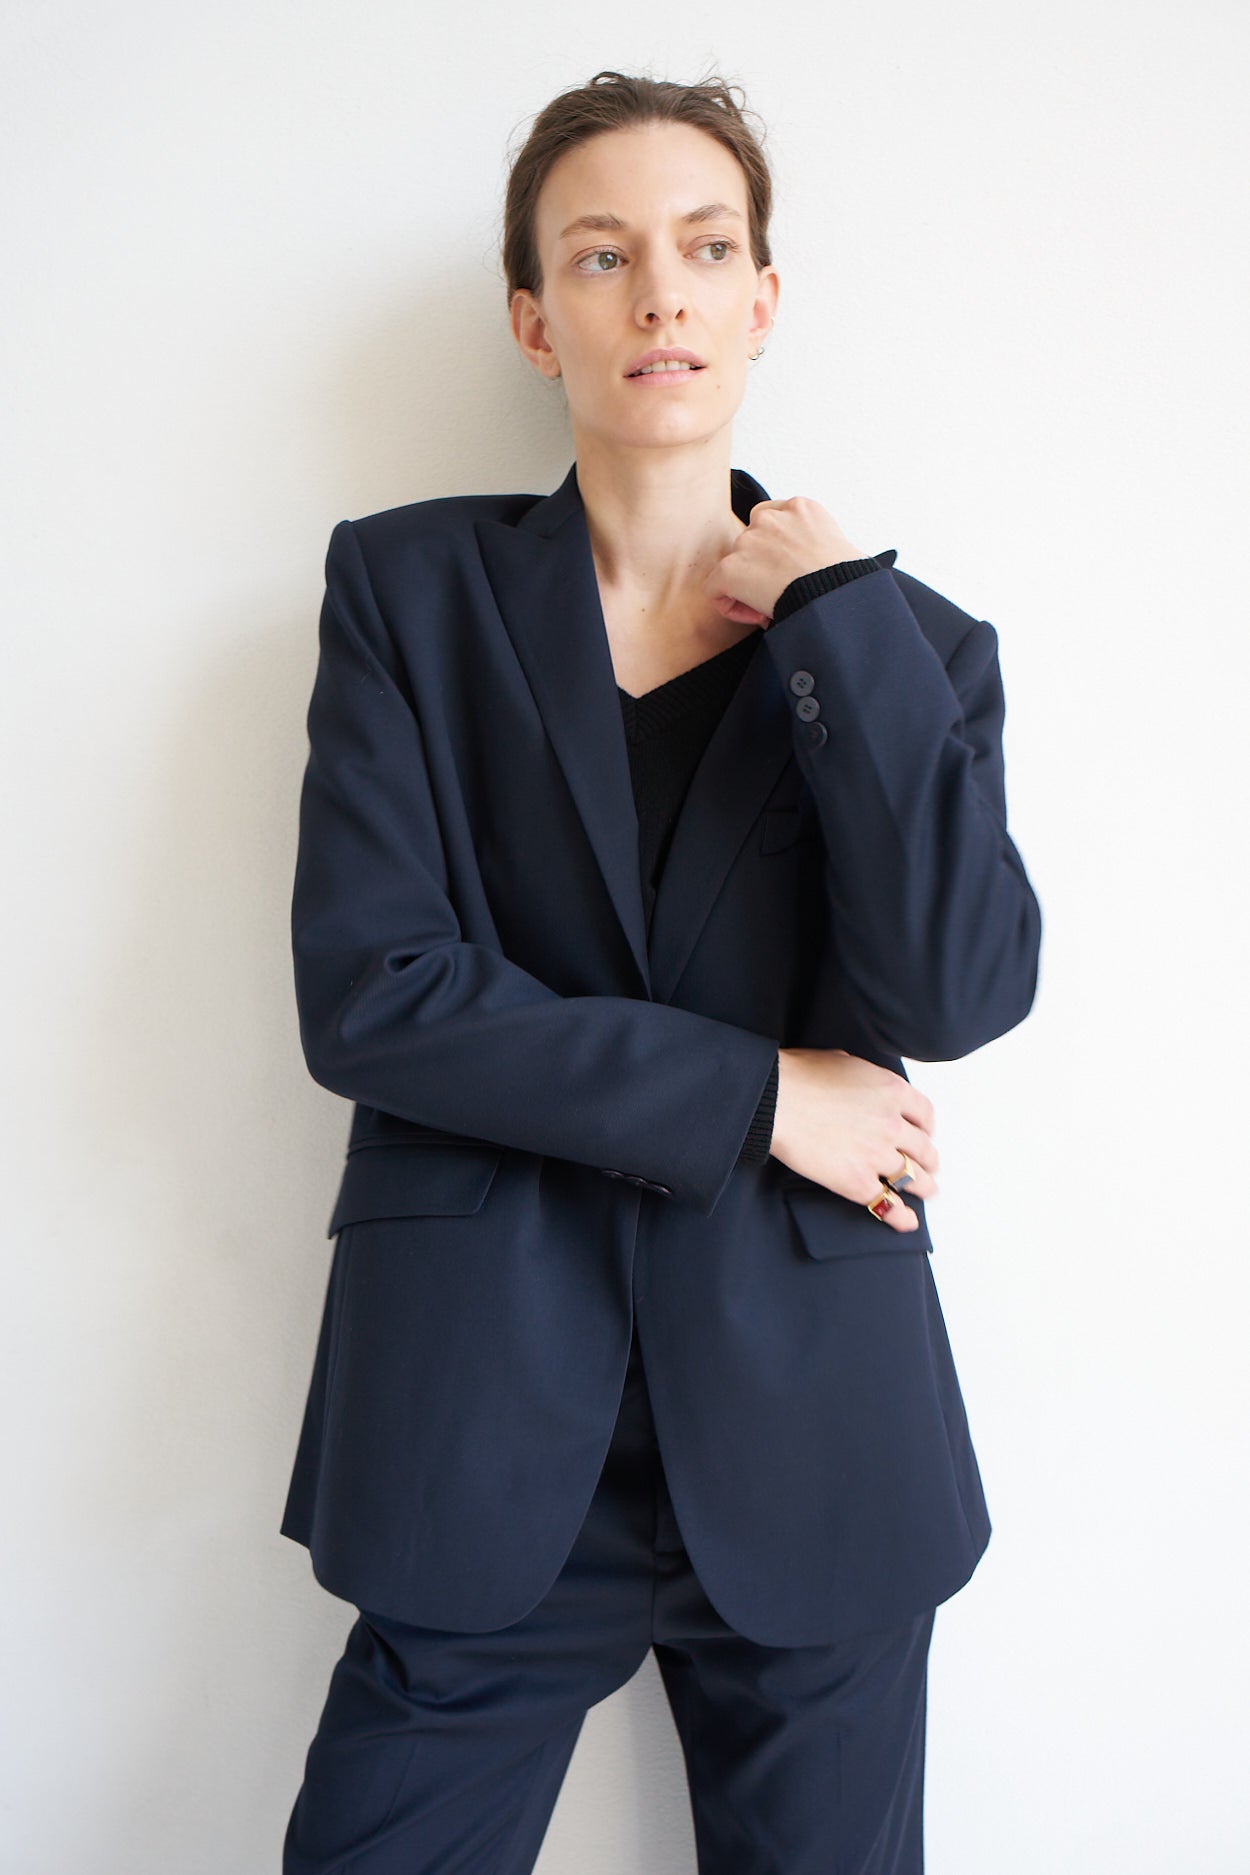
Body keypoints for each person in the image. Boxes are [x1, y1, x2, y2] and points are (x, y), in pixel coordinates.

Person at [280, 68, 1042, 1875]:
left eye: (704, 250)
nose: (659, 296)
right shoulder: (408, 594)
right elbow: (375, 994)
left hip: (814, 1430)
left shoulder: (908, 647)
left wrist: (837, 618)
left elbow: (954, 991)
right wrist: (762, 1092)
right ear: (535, 316)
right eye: (601, 254)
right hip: (475, 1422)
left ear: (761, 300)